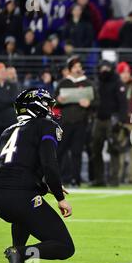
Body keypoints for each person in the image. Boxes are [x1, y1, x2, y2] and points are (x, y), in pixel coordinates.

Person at [0, 88, 74, 263]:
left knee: (23, 217)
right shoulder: (43, 125)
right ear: (36, 106)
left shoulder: (7, 131)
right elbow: (49, 164)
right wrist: (60, 197)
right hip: (20, 195)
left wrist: (47, 187)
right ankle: (19, 253)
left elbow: (18, 166)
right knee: (65, 247)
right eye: (46, 105)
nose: (50, 110)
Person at [55, 56, 95, 187]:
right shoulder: (63, 83)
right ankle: (56, 179)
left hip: (81, 122)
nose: (78, 69)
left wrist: (89, 103)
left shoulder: (88, 83)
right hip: (65, 123)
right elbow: (53, 102)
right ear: (70, 69)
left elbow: (97, 102)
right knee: (60, 151)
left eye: (79, 67)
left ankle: (75, 180)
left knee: (77, 152)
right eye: (75, 67)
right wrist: (58, 100)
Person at [91, 60, 127, 186]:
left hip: (112, 119)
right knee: (96, 149)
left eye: (107, 67)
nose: (104, 70)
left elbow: (123, 103)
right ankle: (99, 179)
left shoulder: (117, 82)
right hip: (99, 119)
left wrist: (121, 120)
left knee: (114, 150)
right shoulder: (97, 82)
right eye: (102, 67)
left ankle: (114, 179)